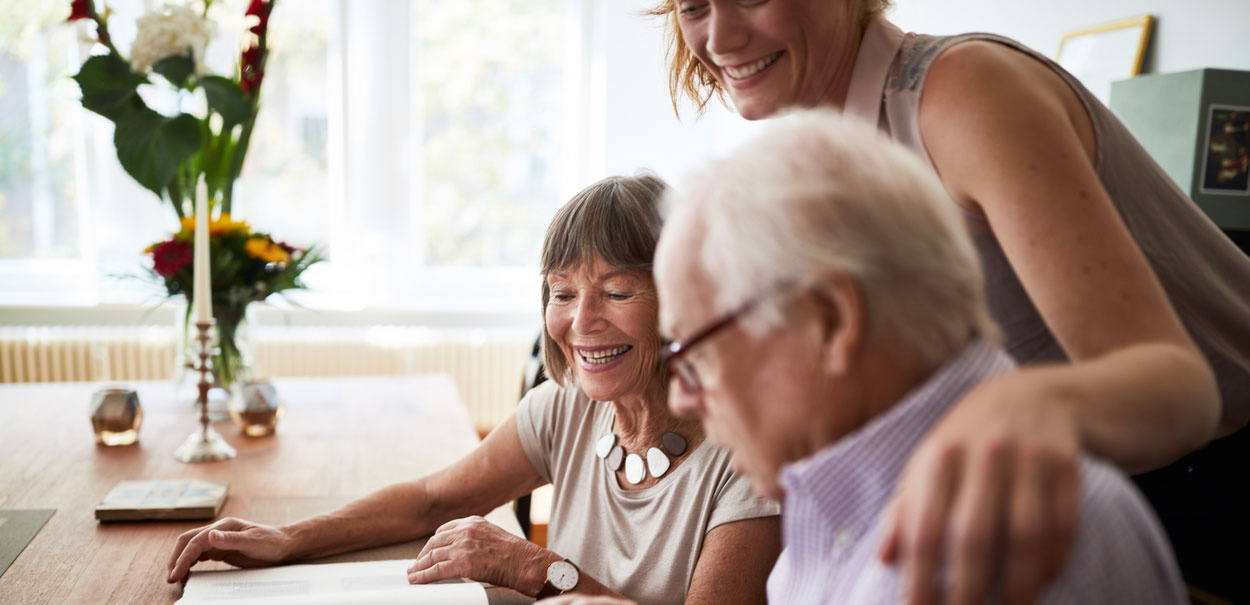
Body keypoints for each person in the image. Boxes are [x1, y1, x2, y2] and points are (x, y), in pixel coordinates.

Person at [649, 1, 1250, 601]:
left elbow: (1184, 386)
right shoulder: (825, 157)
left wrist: (1020, 403)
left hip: (1205, 488)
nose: (720, 36)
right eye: (695, 6)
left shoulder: (962, 92)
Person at [165, 174, 781, 605]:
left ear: (685, 300)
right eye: (562, 293)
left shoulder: (748, 458)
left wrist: (539, 569)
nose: (581, 321)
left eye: (617, 292)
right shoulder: (566, 409)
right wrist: (287, 539)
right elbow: (433, 500)